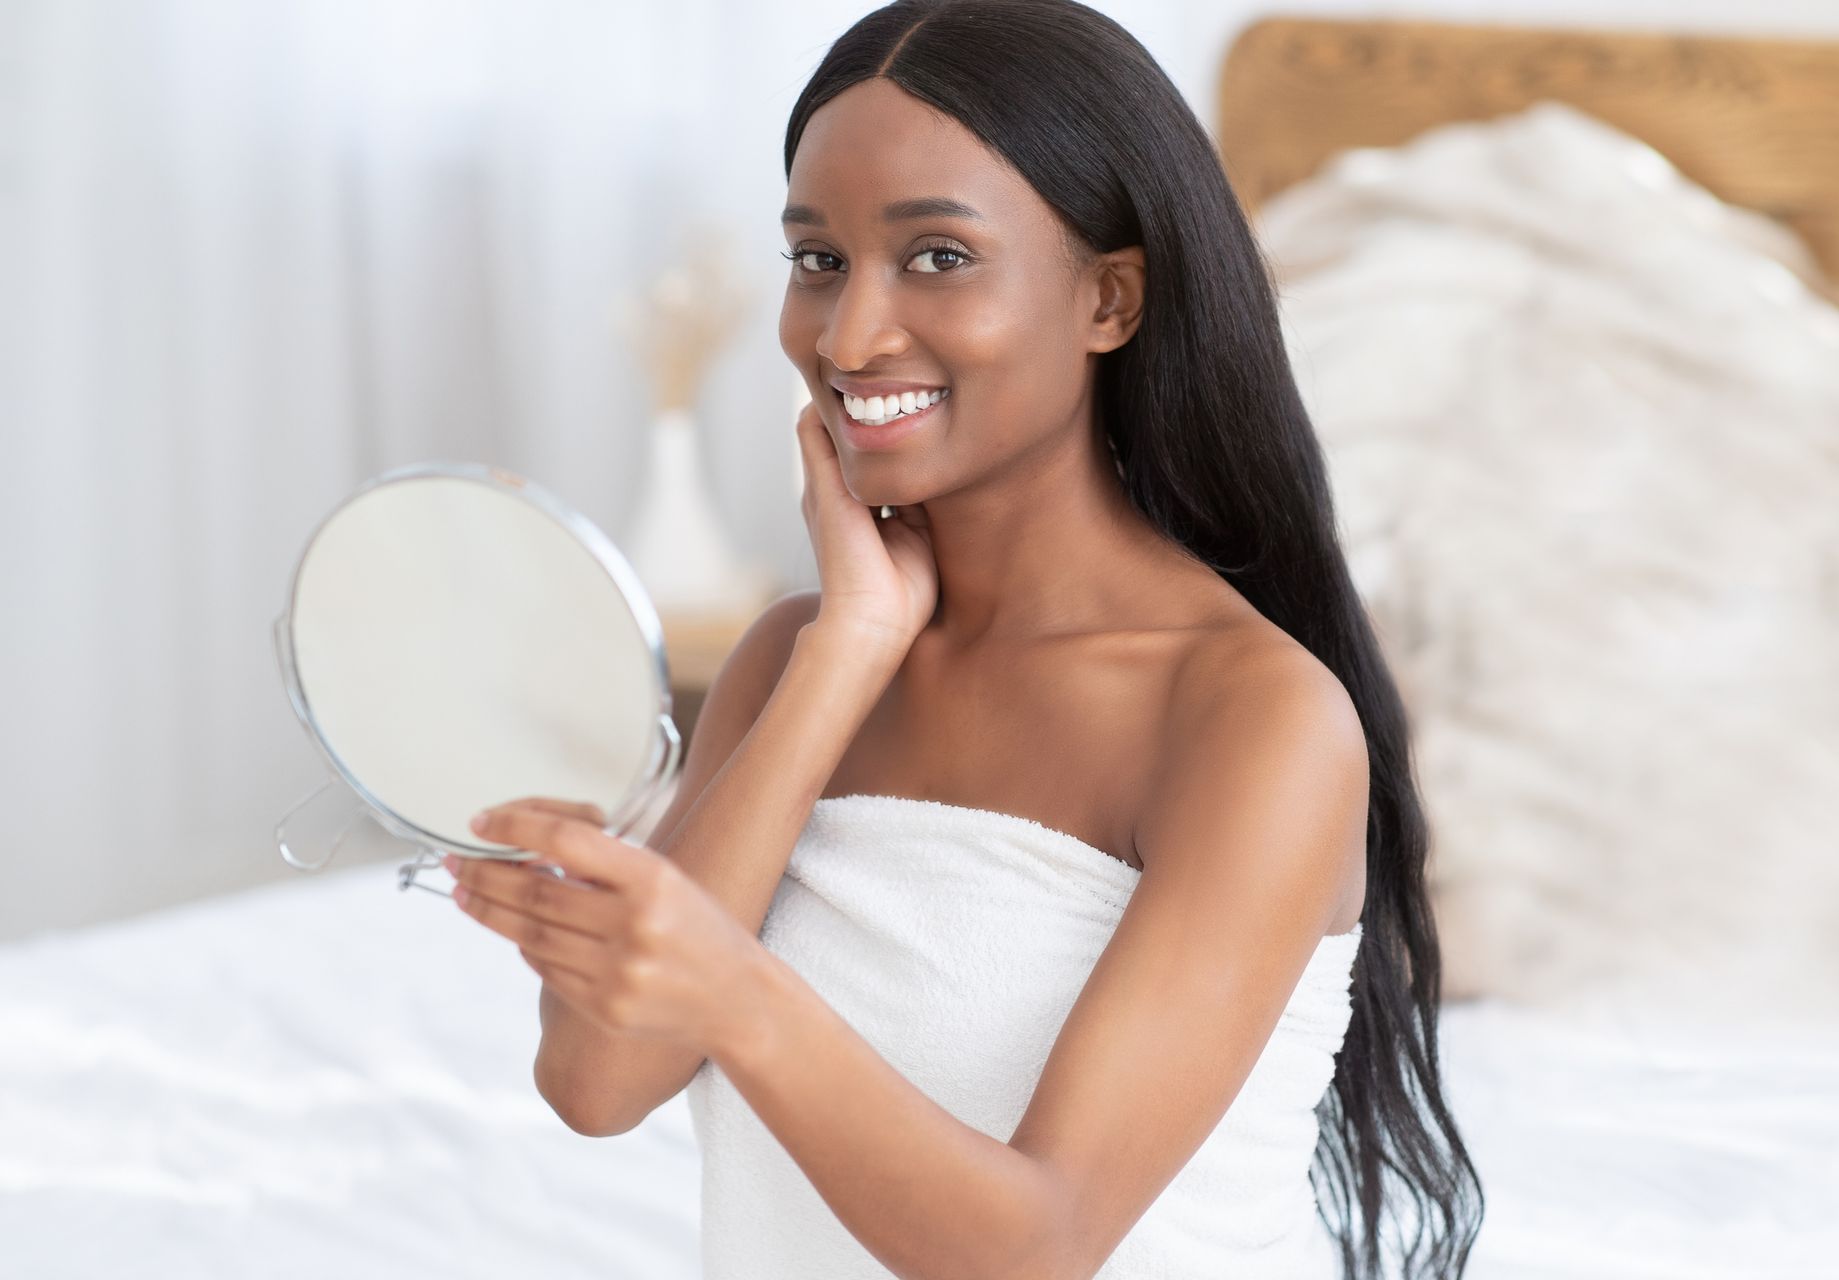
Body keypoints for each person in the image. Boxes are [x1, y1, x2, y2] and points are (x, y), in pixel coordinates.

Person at [447, 2, 1484, 1276]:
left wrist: (730, 986)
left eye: (937, 256)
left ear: (1111, 297)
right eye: (817, 258)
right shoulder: (795, 660)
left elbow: (1038, 1244)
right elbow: (598, 1078)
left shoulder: (1251, 714)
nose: (849, 335)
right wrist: (847, 650)